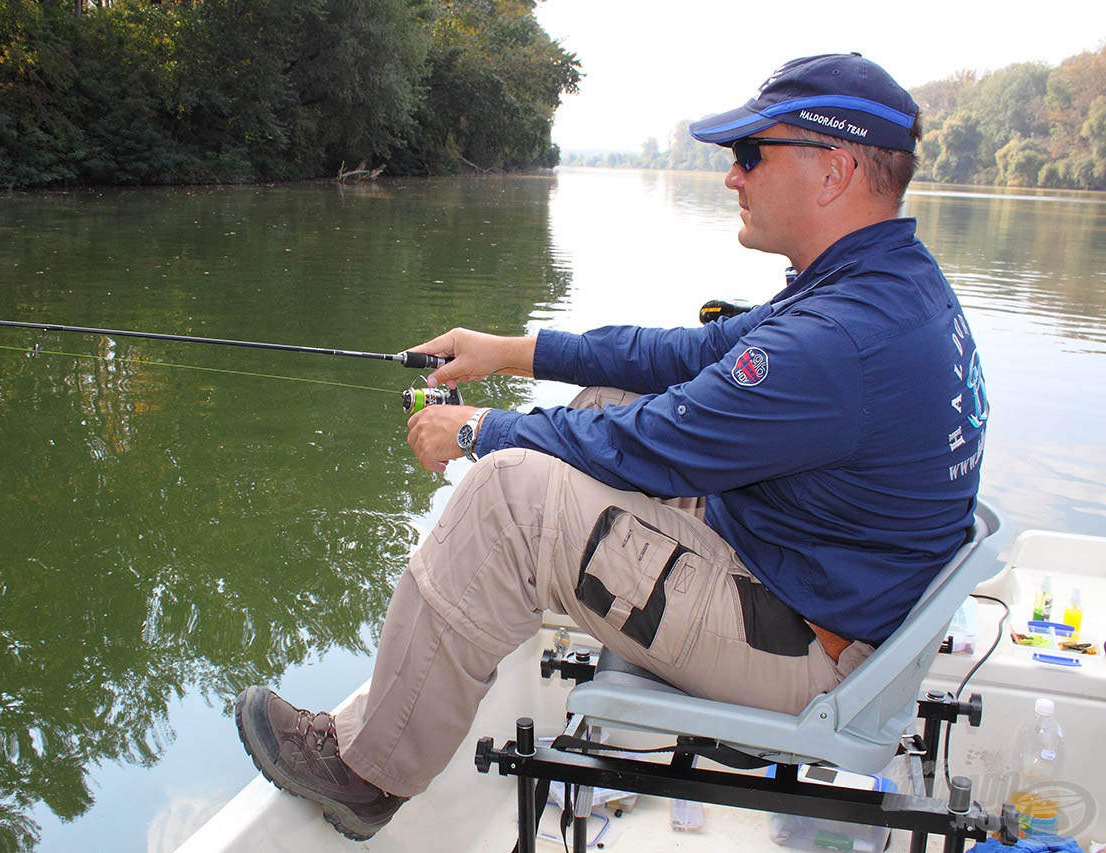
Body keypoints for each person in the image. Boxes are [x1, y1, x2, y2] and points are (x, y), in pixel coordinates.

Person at [233, 53, 989, 841]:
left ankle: (366, 773)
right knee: (603, 405)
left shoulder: (841, 338)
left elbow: (655, 445)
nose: (733, 176)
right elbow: (668, 360)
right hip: (814, 574)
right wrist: (507, 350)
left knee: (510, 498)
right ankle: (418, 690)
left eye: (751, 154)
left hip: (807, 648)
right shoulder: (887, 283)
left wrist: (474, 430)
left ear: (832, 171)